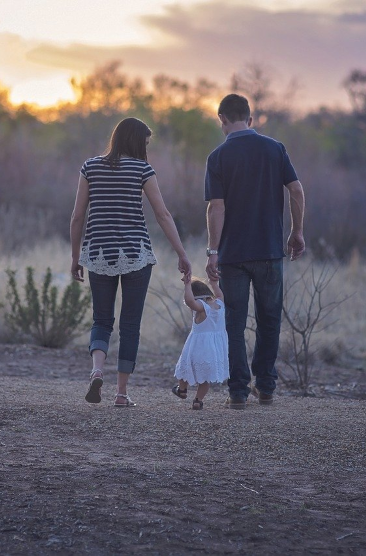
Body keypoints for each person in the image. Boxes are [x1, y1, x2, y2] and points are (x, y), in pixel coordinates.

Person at [70, 117, 191, 407]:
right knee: (130, 325)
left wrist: (76, 257)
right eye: (146, 143)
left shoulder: (90, 167)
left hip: (98, 253)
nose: (147, 149)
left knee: (101, 320)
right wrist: (181, 253)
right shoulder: (142, 169)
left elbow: (77, 216)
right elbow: (162, 215)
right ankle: (121, 394)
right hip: (136, 254)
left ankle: (97, 370)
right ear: (137, 142)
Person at [204, 94, 306, 409]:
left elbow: (215, 208)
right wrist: (296, 231)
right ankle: (266, 387)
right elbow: (296, 189)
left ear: (221, 119)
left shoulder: (218, 157)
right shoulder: (275, 149)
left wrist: (212, 250)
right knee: (269, 319)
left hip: (234, 256)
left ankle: (237, 392)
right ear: (250, 119)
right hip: (270, 251)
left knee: (234, 322)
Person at [172, 276, 229, 410]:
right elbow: (220, 294)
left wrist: (187, 285)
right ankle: (198, 400)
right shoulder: (220, 304)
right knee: (205, 377)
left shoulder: (201, 307)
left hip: (198, 347)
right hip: (214, 349)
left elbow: (190, 301)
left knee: (185, 368)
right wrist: (214, 283)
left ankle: (182, 389)